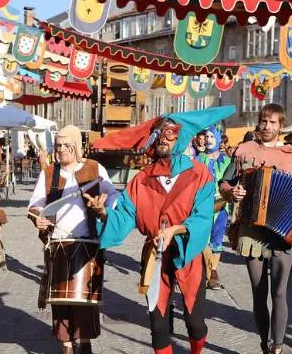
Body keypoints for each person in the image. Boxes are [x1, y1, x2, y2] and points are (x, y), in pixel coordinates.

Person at [86, 106, 236, 354]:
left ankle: (197, 346)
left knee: (195, 325)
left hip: (189, 254)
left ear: (182, 136)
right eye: (159, 133)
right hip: (156, 257)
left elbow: (202, 218)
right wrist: (103, 213)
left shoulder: (200, 175)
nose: (162, 138)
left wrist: (176, 230)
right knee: (158, 323)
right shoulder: (141, 180)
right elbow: (124, 216)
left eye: (170, 133)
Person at [219, 104, 292, 354]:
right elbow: (225, 182)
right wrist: (232, 192)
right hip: (252, 231)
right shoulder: (244, 151)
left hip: (282, 233)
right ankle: (264, 343)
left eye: (273, 122)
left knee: (279, 291)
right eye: (264, 121)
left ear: (281, 126)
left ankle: (277, 347)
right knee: (258, 292)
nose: (267, 126)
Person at [28, 125, 118, 354]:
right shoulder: (49, 172)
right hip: (58, 243)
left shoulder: (94, 168)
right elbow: (36, 204)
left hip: (88, 243)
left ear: (76, 146)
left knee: (85, 302)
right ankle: (66, 346)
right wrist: (38, 217)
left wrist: (104, 206)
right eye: (58, 146)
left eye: (66, 145)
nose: (61, 150)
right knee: (61, 302)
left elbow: (113, 195)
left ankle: (85, 344)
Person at [196, 125, 230, 289]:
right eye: (207, 136)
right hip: (201, 205)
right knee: (202, 238)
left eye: (212, 136)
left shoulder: (228, 160)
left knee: (217, 237)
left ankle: (214, 271)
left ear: (218, 138)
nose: (209, 139)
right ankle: (203, 269)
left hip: (221, 206)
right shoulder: (198, 159)